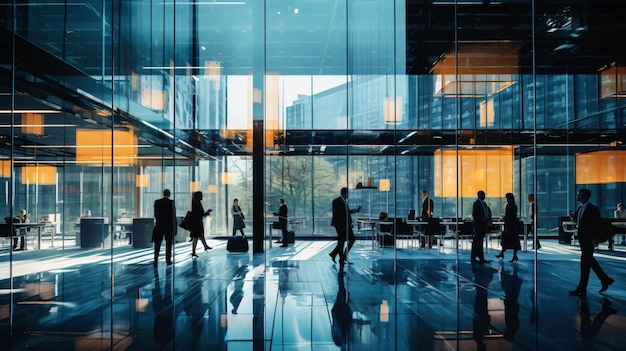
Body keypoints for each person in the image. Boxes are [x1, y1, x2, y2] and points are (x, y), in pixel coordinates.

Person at [568, 188, 615, 296]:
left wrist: (595, 238)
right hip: (582, 238)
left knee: (585, 262)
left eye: (579, 195)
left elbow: (596, 225)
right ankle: (605, 280)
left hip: (589, 239)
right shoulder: (580, 208)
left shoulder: (593, 209)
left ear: (585, 196)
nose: (577, 196)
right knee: (588, 261)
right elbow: (580, 221)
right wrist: (573, 216)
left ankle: (582, 287)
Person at [329, 187, 360, 269]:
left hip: (346, 224)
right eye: (347, 193)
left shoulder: (343, 202)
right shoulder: (336, 201)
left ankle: (336, 255)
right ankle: (341, 258)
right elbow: (340, 213)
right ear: (344, 193)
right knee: (343, 241)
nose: (348, 195)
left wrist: (353, 211)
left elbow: (345, 211)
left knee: (346, 240)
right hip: (341, 225)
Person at [152, 189, 176, 266]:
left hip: (159, 225)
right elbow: (173, 216)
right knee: (168, 243)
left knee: (157, 243)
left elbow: (155, 214)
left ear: (163, 194)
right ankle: (168, 259)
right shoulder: (171, 203)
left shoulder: (157, 202)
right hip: (168, 226)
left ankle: (156, 259)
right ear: (169, 194)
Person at [496, 193, 520, 262]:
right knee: (514, 241)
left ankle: (502, 253)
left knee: (506, 240)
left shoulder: (508, 206)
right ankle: (514, 255)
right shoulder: (514, 206)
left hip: (509, 226)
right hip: (513, 225)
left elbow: (508, 217)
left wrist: (504, 221)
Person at [189, 191, 212, 258]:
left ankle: (204, 246)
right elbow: (200, 213)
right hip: (197, 222)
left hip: (196, 221)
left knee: (199, 235)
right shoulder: (197, 202)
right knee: (197, 236)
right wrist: (207, 213)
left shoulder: (194, 201)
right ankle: (194, 251)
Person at [471, 190, 491, 263]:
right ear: (479, 195)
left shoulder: (484, 204)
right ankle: (478, 257)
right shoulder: (476, 204)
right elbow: (475, 214)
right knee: (478, 241)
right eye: (483, 195)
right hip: (479, 225)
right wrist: (481, 218)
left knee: (479, 241)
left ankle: (479, 256)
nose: (484, 196)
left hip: (483, 224)